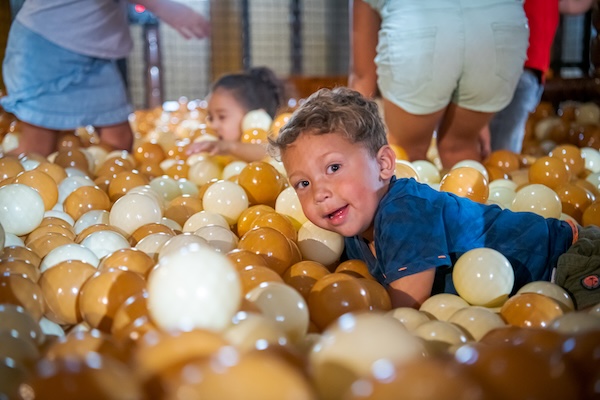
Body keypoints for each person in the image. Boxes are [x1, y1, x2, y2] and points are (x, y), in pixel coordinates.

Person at [269, 87, 600, 310]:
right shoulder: (354, 225)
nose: (319, 192)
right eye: (302, 183)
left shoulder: (402, 212)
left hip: (566, 262)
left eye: (334, 167)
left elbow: (406, 307)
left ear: (383, 164)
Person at [0, 0, 210, 157]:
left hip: (95, 54)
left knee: (119, 141)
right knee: (38, 149)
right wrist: (166, 8)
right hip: (47, 46)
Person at [348, 0, 529, 168]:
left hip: (420, 28)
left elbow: (363, 77)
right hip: (502, 27)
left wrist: (350, 142)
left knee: (407, 154)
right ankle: (469, 201)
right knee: (460, 146)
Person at [488, 0, 595, 153]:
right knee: (504, 137)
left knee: (512, 130)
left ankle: (500, 164)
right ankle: (496, 167)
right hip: (513, 65)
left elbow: (574, 5)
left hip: (533, 71)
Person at [186, 66, 285, 163]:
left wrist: (229, 147)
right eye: (211, 118)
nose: (213, 125)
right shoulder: (215, 151)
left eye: (222, 117)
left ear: (253, 116)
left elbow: (270, 152)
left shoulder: (273, 139)